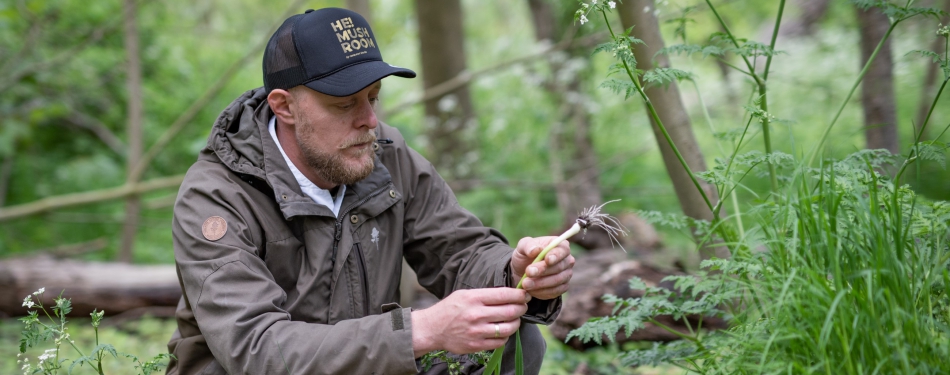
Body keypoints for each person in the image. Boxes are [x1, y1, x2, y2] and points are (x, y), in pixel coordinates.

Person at [165, 7, 574, 375]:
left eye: (373, 98)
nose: (369, 121)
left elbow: (460, 252)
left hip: (372, 365)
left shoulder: (386, 157)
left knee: (508, 338)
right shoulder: (217, 196)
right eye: (345, 105)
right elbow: (256, 349)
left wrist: (514, 271)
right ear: (284, 106)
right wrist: (418, 330)